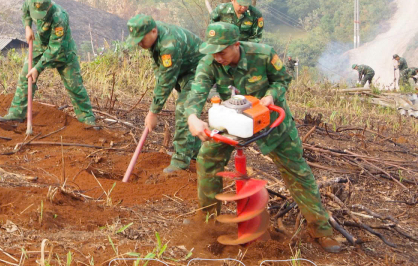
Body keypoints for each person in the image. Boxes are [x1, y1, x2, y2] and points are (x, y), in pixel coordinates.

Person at [186, 22, 340, 253]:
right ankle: (208, 221)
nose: (217, 57)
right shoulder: (210, 61)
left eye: (222, 51)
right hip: (234, 120)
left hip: (269, 119)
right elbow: (197, 90)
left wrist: (270, 97)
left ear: (236, 44)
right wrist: (192, 117)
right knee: (207, 159)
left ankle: (321, 230)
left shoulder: (263, 54)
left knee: (296, 169)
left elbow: (282, 80)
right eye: (213, 51)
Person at [0, 0, 96, 125]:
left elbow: (54, 48)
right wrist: (27, 27)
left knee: (74, 85)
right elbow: (25, 11)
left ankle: (87, 120)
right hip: (41, 44)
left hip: (62, 50)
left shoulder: (59, 17)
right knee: (26, 76)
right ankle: (16, 113)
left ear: (48, 8)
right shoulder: (30, 1)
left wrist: (37, 68)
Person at [124, 14, 203, 173]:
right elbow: (159, 69)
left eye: (141, 39)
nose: (139, 44)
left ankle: (181, 162)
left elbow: (166, 80)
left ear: (153, 31)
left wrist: (153, 112)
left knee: (184, 110)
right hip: (185, 70)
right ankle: (194, 155)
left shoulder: (169, 45)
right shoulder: (154, 32)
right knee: (186, 110)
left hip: (200, 72)